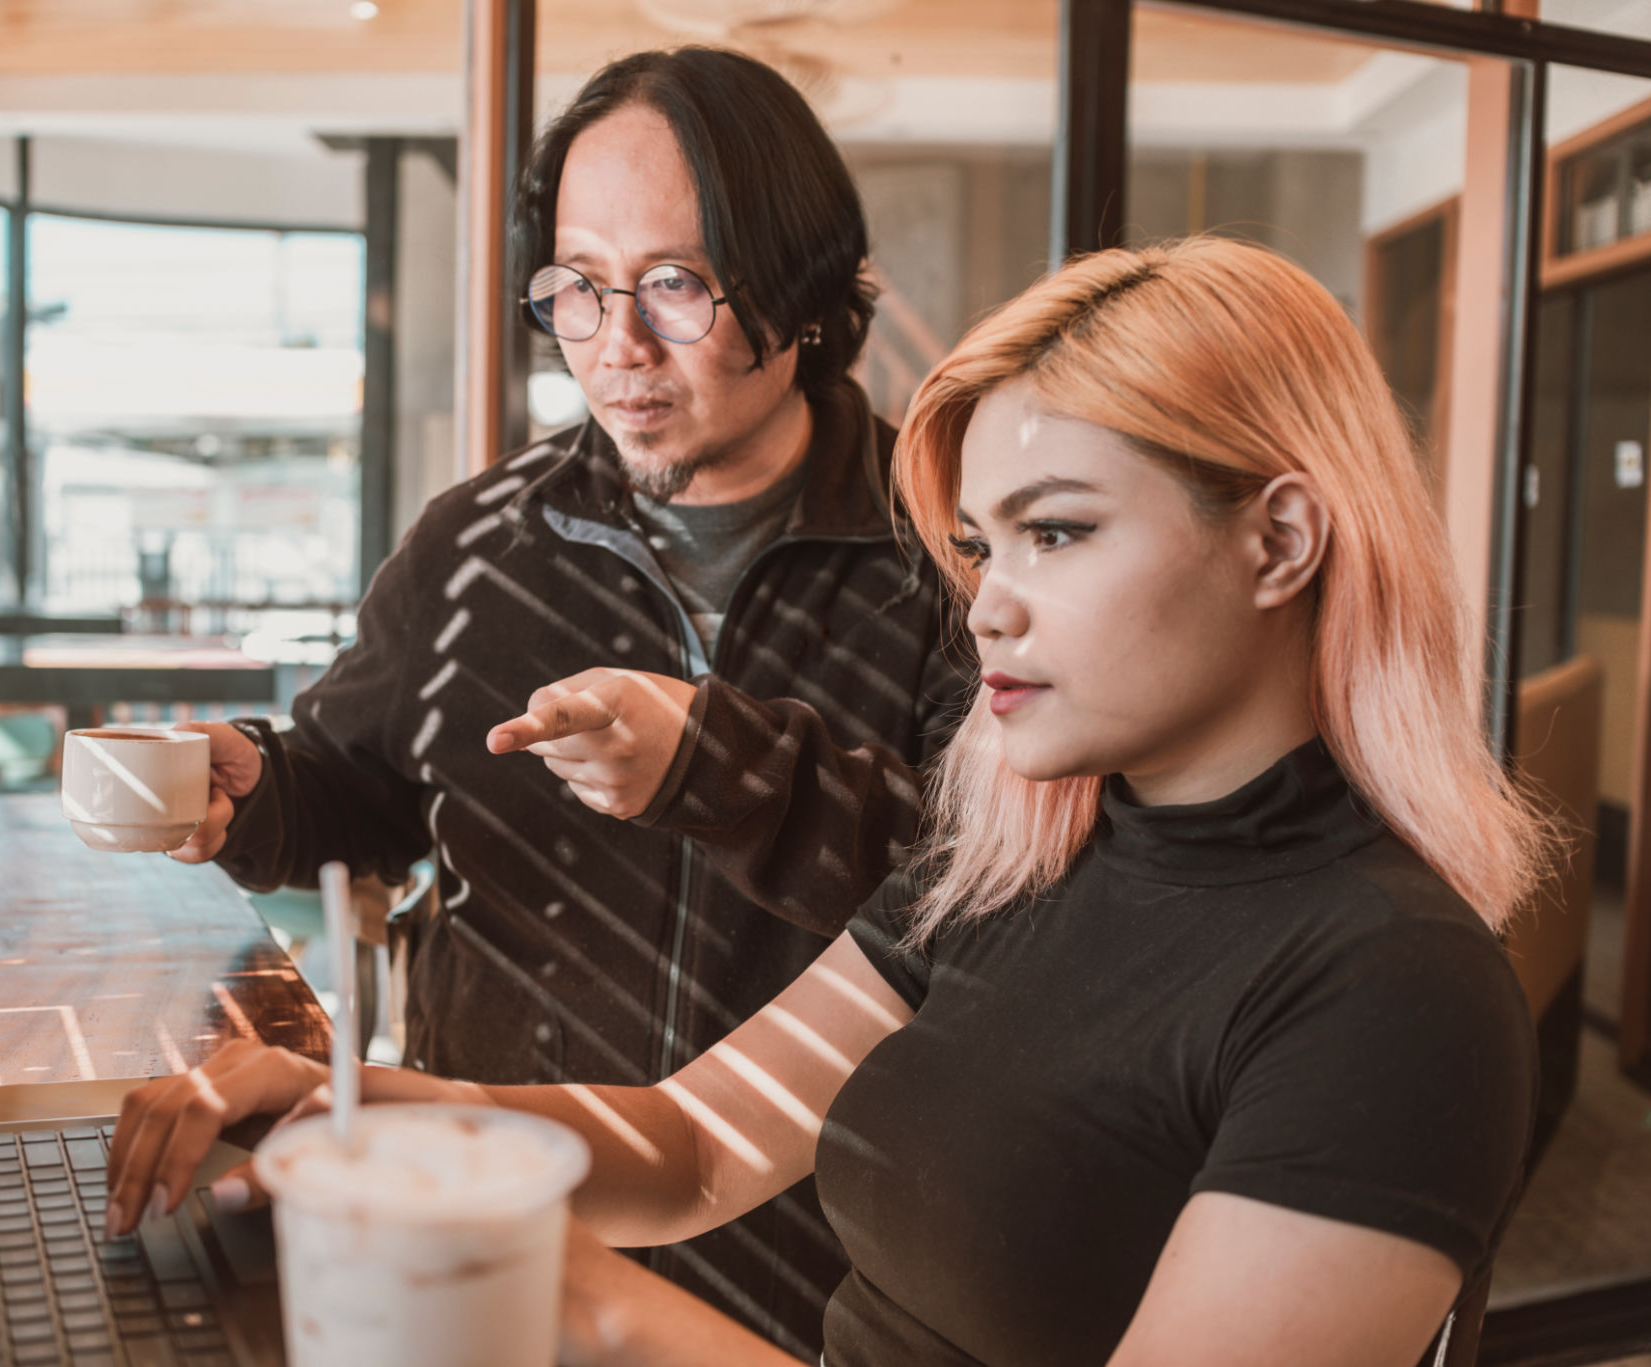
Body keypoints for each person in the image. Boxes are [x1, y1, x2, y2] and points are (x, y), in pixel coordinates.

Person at [110, 237, 1546, 1366]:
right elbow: (691, 1149)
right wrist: (352, 1111)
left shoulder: (1393, 995)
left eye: (1058, 533)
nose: (989, 608)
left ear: (1281, 540)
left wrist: (555, 1294)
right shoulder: (1015, 858)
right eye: (982, 549)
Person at [155, 47, 968, 1355]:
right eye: (579, 288)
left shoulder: (949, 557)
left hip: (814, 1287)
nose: (617, 347)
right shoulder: (475, 543)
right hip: (488, 1243)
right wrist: (259, 790)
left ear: (803, 291)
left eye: (675, 283)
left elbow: (981, 901)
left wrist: (720, 771)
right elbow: (361, 793)